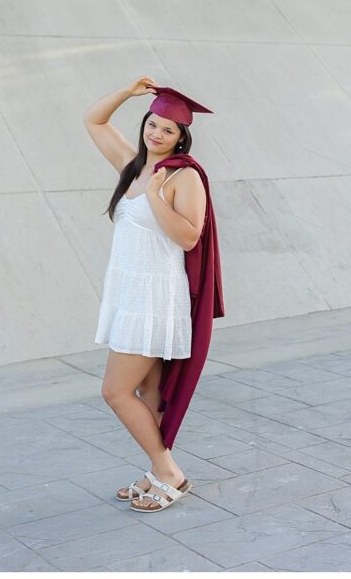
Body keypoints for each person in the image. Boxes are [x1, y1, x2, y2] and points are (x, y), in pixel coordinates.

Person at [83, 77, 223, 513]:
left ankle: (169, 473)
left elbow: (187, 237)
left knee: (115, 391)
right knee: (148, 393)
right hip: (129, 289)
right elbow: (93, 120)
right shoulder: (132, 164)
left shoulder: (183, 177)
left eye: (168, 129)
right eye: (153, 123)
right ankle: (158, 469)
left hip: (156, 296)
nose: (156, 133)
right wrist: (126, 92)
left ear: (182, 136)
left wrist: (156, 196)